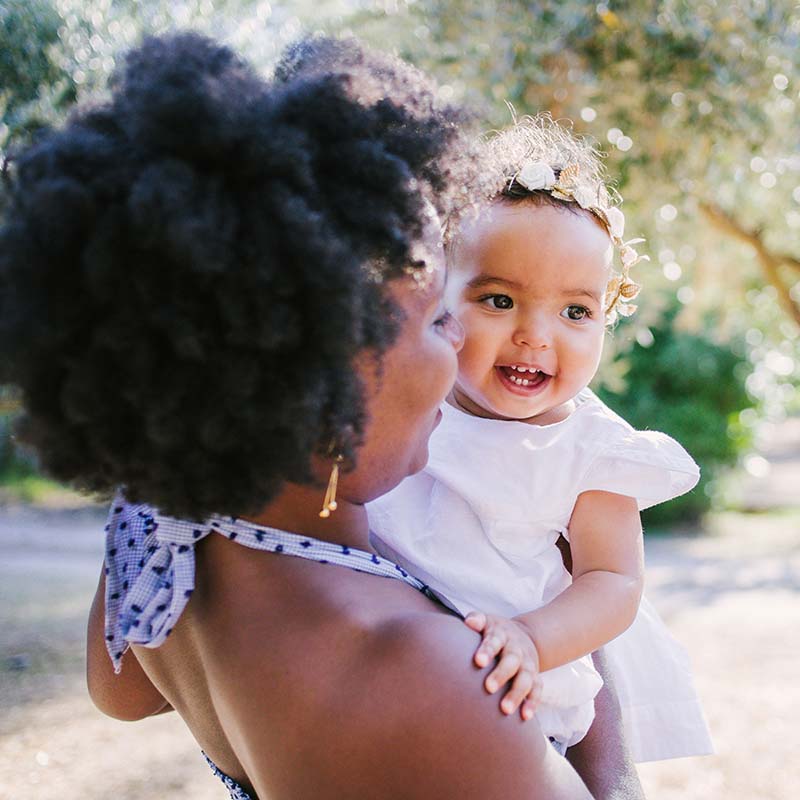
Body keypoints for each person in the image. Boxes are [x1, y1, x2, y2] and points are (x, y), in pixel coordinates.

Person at [0, 34, 645, 799]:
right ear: (336, 384)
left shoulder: (162, 539)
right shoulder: (434, 678)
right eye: (442, 319)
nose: (457, 359)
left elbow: (121, 694)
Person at [369, 116, 713, 762]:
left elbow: (612, 581)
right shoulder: (409, 403)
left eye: (575, 311)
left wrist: (533, 639)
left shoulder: (593, 449)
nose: (536, 335)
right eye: (499, 300)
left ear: (608, 316)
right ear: (439, 294)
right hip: (390, 673)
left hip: (514, 696)